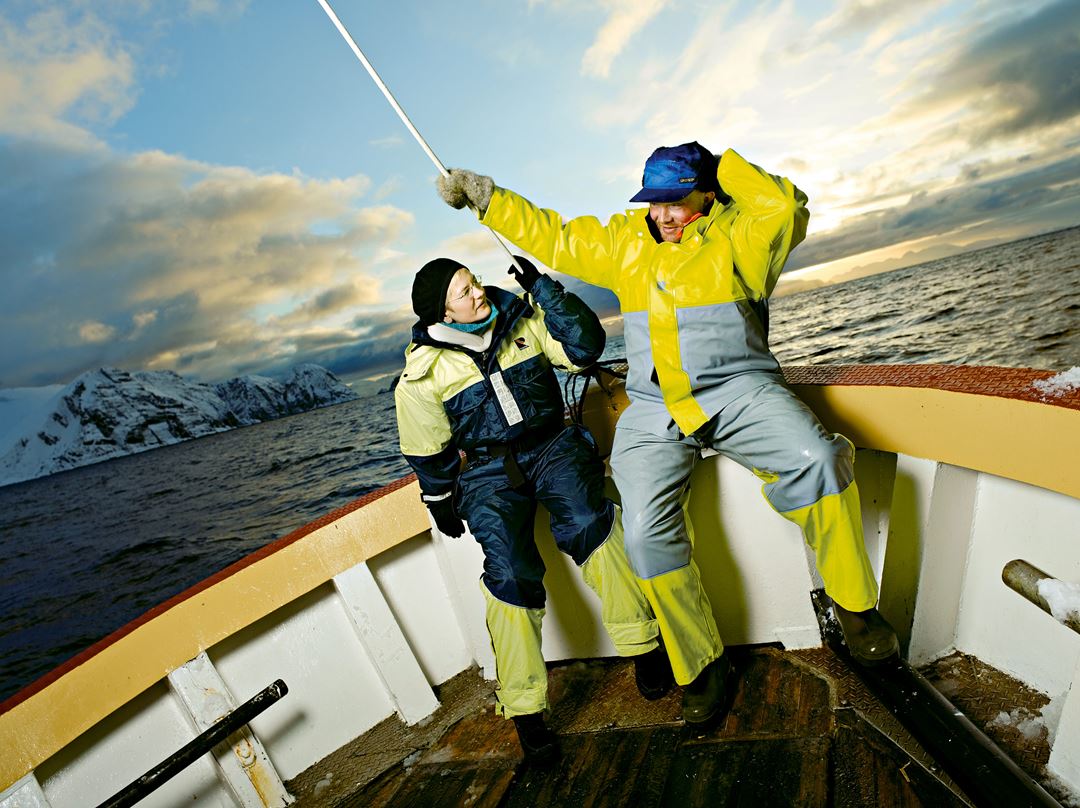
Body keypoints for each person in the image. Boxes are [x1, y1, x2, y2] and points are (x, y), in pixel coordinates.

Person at [435, 141, 899, 728]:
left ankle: (855, 608)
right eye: (654, 202)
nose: (664, 215)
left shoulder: (745, 238)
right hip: (654, 408)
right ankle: (701, 664)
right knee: (646, 535)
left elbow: (785, 207)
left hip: (740, 390)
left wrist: (723, 165)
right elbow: (553, 235)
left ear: (709, 193)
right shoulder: (624, 241)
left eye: (678, 202)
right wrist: (488, 198)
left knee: (818, 459)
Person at [394, 254, 671, 763]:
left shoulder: (525, 317)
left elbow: (586, 349)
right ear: (442, 311)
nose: (477, 291)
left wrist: (547, 290)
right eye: (463, 291)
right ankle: (524, 708)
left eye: (474, 281)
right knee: (509, 574)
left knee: (592, 523)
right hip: (486, 472)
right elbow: (426, 447)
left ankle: (644, 647)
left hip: (552, 447)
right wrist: (439, 499)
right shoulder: (423, 373)